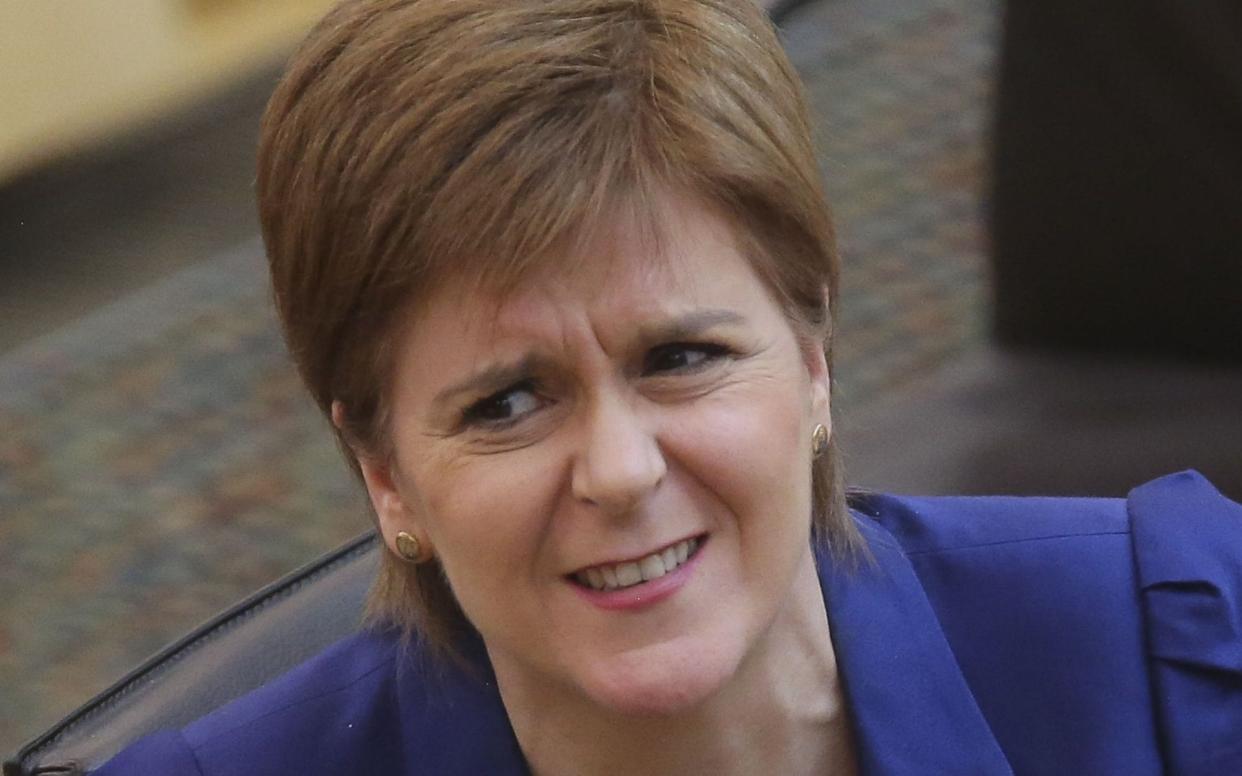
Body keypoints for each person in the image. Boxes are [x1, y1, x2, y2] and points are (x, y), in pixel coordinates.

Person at [96, 0, 1242, 774]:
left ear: (811, 359)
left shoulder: (1174, 646)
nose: (622, 469)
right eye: (506, 402)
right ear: (385, 474)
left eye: (679, 358)